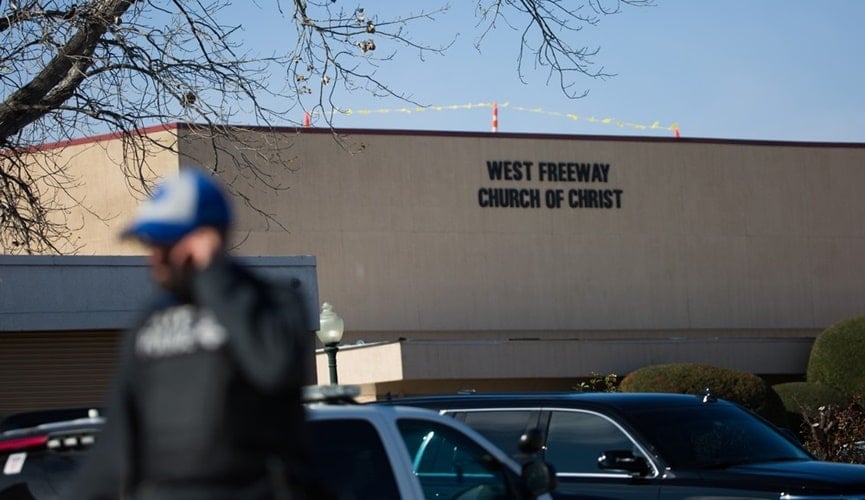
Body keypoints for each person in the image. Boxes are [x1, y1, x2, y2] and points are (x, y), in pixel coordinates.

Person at [65, 168, 313, 500]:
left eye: (165, 245)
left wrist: (216, 278)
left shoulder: (271, 302)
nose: (154, 257)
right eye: (151, 244)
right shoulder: (149, 323)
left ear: (206, 239)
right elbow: (114, 448)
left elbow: (274, 367)